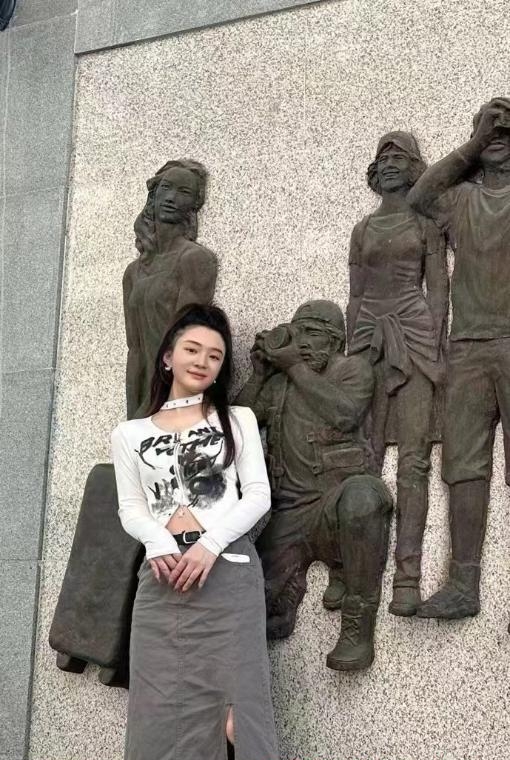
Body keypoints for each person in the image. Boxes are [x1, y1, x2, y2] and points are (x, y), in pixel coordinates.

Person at [111, 303, 278, 760]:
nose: (202, 361)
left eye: (215, 355)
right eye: (192, 349)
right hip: (162, 579)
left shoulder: (237, 419)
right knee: (158, 715)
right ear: (168, 357)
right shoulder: (129, 434)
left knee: (238, 716)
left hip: (225, 573)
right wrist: (157, 540)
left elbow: (258, 495)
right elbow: (130, 507)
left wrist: (209, 545)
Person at [236, 300, 392, 671]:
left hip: (336, 501)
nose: (301, 342)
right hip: (290, 512)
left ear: (335, 340)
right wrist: (259, 376)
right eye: (296, 333)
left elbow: (345, 414)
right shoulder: (281, 382)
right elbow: (237, 424)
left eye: (312, 334)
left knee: (363, 499)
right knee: (248, 598)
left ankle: (357, 624)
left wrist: (293, 365)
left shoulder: (352, 369)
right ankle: (283, 602)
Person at [407, 97, 510, 619]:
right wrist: (475, 142)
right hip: (468, 345)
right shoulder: (462, 199)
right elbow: (421, 196)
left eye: (506, 128)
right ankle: (463, 584)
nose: (497, 133)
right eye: (488, 127)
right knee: (464, 467)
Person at [347, 132, 448, 616]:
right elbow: (355, 295)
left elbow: (439, 290)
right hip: (369, 339)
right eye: (382, 157)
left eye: (399, 157)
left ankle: (407, 578)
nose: (389, 164)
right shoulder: (362, 229)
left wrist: (432, 342)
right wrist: (352, 354)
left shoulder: (426, 224)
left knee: (413, 463)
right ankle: (355, 574)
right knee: (364, 459)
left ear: (414, 169)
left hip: (415, 336)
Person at [124, 159, 218, 419]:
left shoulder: (194, 259)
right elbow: (135, 349)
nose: (171, 198)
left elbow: (186, 341)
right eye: (166, 188)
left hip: (176, 397)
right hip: (145, 397)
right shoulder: (132, 273)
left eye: (183, 192)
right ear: (154, 195)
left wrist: (157, 403)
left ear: (194, 204)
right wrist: (132, 418)